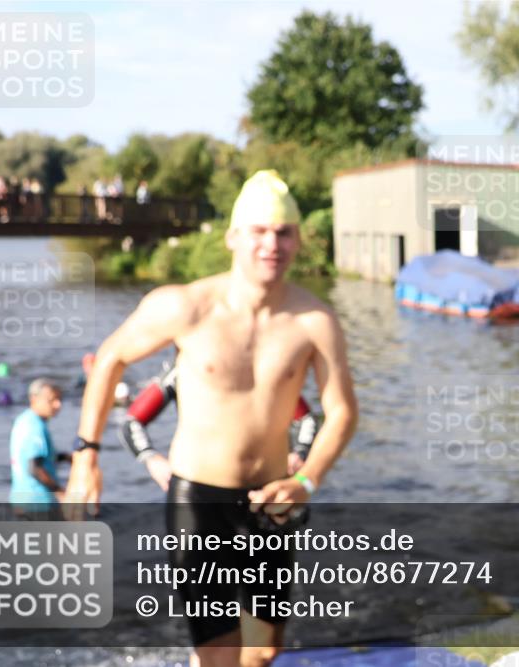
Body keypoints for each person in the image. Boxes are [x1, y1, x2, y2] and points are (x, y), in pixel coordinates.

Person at [66, 170, 358, 667]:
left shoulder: (314, 320)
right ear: (233, 237)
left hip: (272, 502)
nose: (272, 244)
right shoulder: (187, 306)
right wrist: (85, 456)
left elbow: (342, 411)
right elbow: (112, 357)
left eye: (284, 232)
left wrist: (307, 480)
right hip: (199, 500)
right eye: (259, 231)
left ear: (298, 241)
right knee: (221, 656)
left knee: (263, 651)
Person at [118, 358, 320, 491]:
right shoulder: (184, 368)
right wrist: (152, 460)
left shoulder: (263, 365)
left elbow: (307, 420)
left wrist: (299, 454)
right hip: (196, 487)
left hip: (264, 486)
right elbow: (132, 421)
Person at [9, 379, 72, 515]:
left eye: (59, 399)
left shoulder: (24, 420)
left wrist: (65, 457)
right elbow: (35, 468)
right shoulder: (34, 427)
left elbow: (41, 457)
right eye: (52, 400)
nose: (58, 405)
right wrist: (60, 492)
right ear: (34, 399)